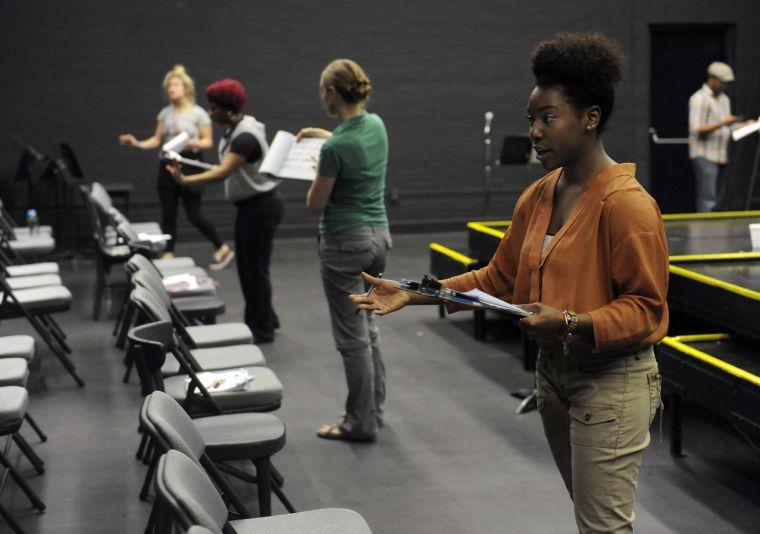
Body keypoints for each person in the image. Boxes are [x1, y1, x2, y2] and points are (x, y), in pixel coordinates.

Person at [352, 33, 669, 532]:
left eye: (549, 118)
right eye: (532, 120)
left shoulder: (627, 205)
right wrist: (415, 291)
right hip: (553, 377)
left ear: (590, 117)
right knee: (594, 522)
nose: (536, 133)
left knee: (603, 527)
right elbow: (498, 278)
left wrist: (569, 321)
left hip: (611, 383)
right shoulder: (539, 194)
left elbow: (646, 309)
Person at [297, 59, 392, 442]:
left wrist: (317, 167)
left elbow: (315, 204)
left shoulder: (335, 147)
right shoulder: (376, 125)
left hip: (344, 243)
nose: (322, 97)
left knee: (351, 338)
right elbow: (352, 140)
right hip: (378, 240)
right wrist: (323, 138)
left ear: (333, 93)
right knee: (367, 329)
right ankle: (374, 411)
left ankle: (359, 423)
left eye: (323, 91)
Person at [166, 78, 284, 343]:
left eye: (214, 108)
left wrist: (185, 180)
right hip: (253, 206)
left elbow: (223, 171)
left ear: (229, 109)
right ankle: (267, 319)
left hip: (261, 208)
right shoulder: (235, 129)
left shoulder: (244, 137)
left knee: (253, 270)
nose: (210, 113)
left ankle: (261, 328)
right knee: (252, 268)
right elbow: (224, 169)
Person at [119, 64, 233, 269]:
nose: (171, 89)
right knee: (168, 212)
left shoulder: (199, 114)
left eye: (175, 85)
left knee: (194, 213)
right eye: (169, 86)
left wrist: (193, 142)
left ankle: (222, 248)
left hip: (190, 163)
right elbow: (156, 140)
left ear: (186, 88)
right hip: (168, 163)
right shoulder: (165, 113)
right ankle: (169, 252)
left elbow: (208, 142)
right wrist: (137, 143)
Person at [688, 61, 756, 212]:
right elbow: (697, 129)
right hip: (704, 155)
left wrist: (747, 125)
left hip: (721, 156)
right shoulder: (699, 99)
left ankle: (714, 232)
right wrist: (723, 122)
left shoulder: (724, 99)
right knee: (708, 198)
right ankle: (704, 232)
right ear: (712, 78)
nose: (725, 86)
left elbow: (728, 127)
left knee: (719, 199)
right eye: (722, 82)